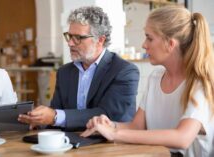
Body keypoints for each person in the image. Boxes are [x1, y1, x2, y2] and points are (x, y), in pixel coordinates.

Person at [81, 6, 214, 157]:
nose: (144, 45)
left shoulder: (199, 84)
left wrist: (115, 134)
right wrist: (111, 125)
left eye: (149, 38)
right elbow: (137, 126)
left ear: (170, 44)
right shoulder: (155, 78)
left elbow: (182, 138)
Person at [18, 6, 139, 131]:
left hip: (111, 145)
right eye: (69, 36)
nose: (70, 43)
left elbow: (108, 115)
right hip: (70, 144)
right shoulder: (64, 72)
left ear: (100, 40)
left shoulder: (124, 71)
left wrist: (54, 116)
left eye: (78, 38)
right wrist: (39, 121)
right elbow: (56, 113)